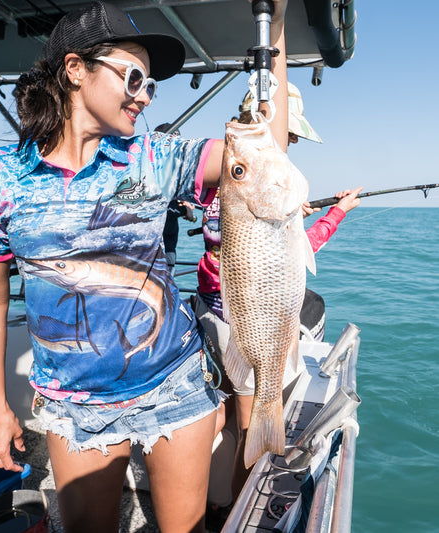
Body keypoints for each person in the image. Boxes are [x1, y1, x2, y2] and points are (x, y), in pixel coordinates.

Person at [0, 1, 289, 531]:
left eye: (150, 86)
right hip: (73, 404)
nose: (144, 96)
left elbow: (260, 159)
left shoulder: (154, 156)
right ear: (74, 69)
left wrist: (280, 27)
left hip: (174, 383)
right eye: (134, 78)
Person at [196, 82, 362, 517]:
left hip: (215, 318)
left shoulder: (218, 192)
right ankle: (233, 509)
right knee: (253, 430)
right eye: (288, 136)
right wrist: (335, 214)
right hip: (248, 322)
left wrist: (289, 210)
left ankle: (218, 498)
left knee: (231, 419)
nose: (287, 144)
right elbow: (289, 252)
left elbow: (245, 241)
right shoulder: (245, 190)